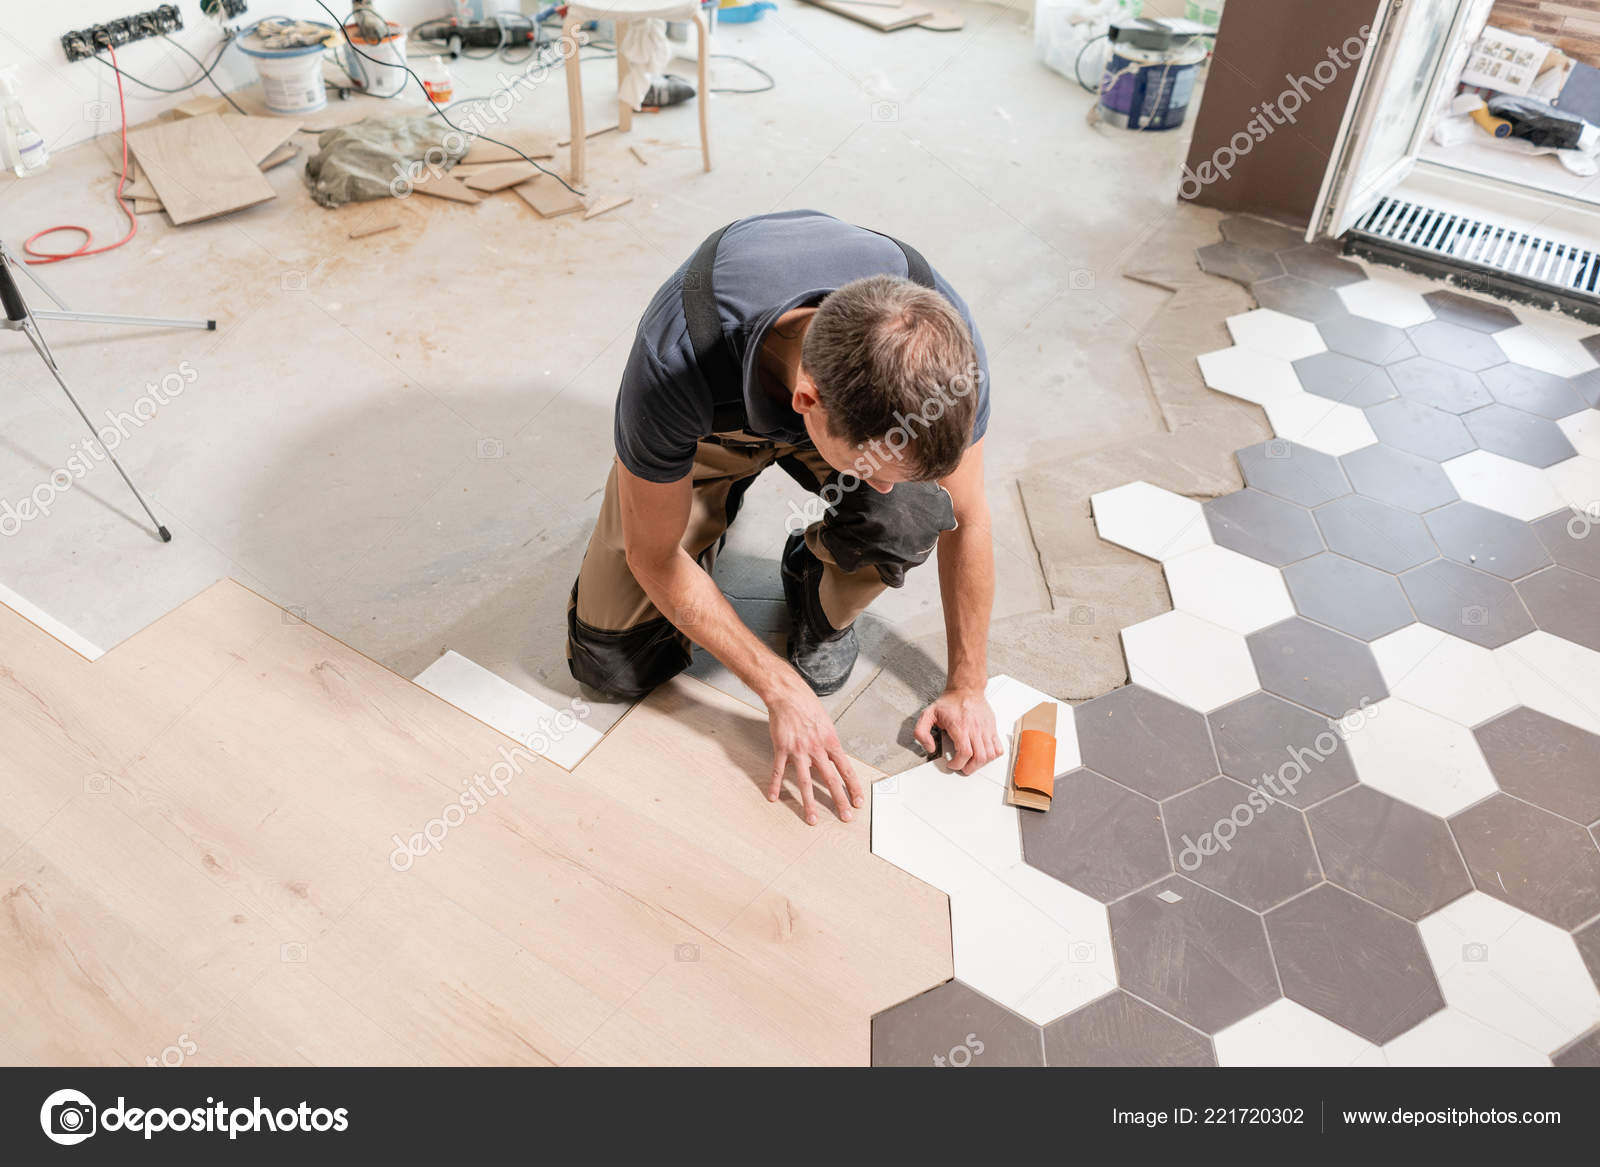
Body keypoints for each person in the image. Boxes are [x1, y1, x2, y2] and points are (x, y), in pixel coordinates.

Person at [567, 210, 1001, 824]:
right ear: (805, 401)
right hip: (711, 425)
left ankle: (813, 580)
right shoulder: (676, 357)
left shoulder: (946, 355)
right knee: (614, 663)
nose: (879, 486)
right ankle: (706, 507)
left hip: (829, 413)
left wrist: (968, 686)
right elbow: (652, 557)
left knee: (914, 510)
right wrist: (778, 687)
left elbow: (970, 516)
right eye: (875, 467)